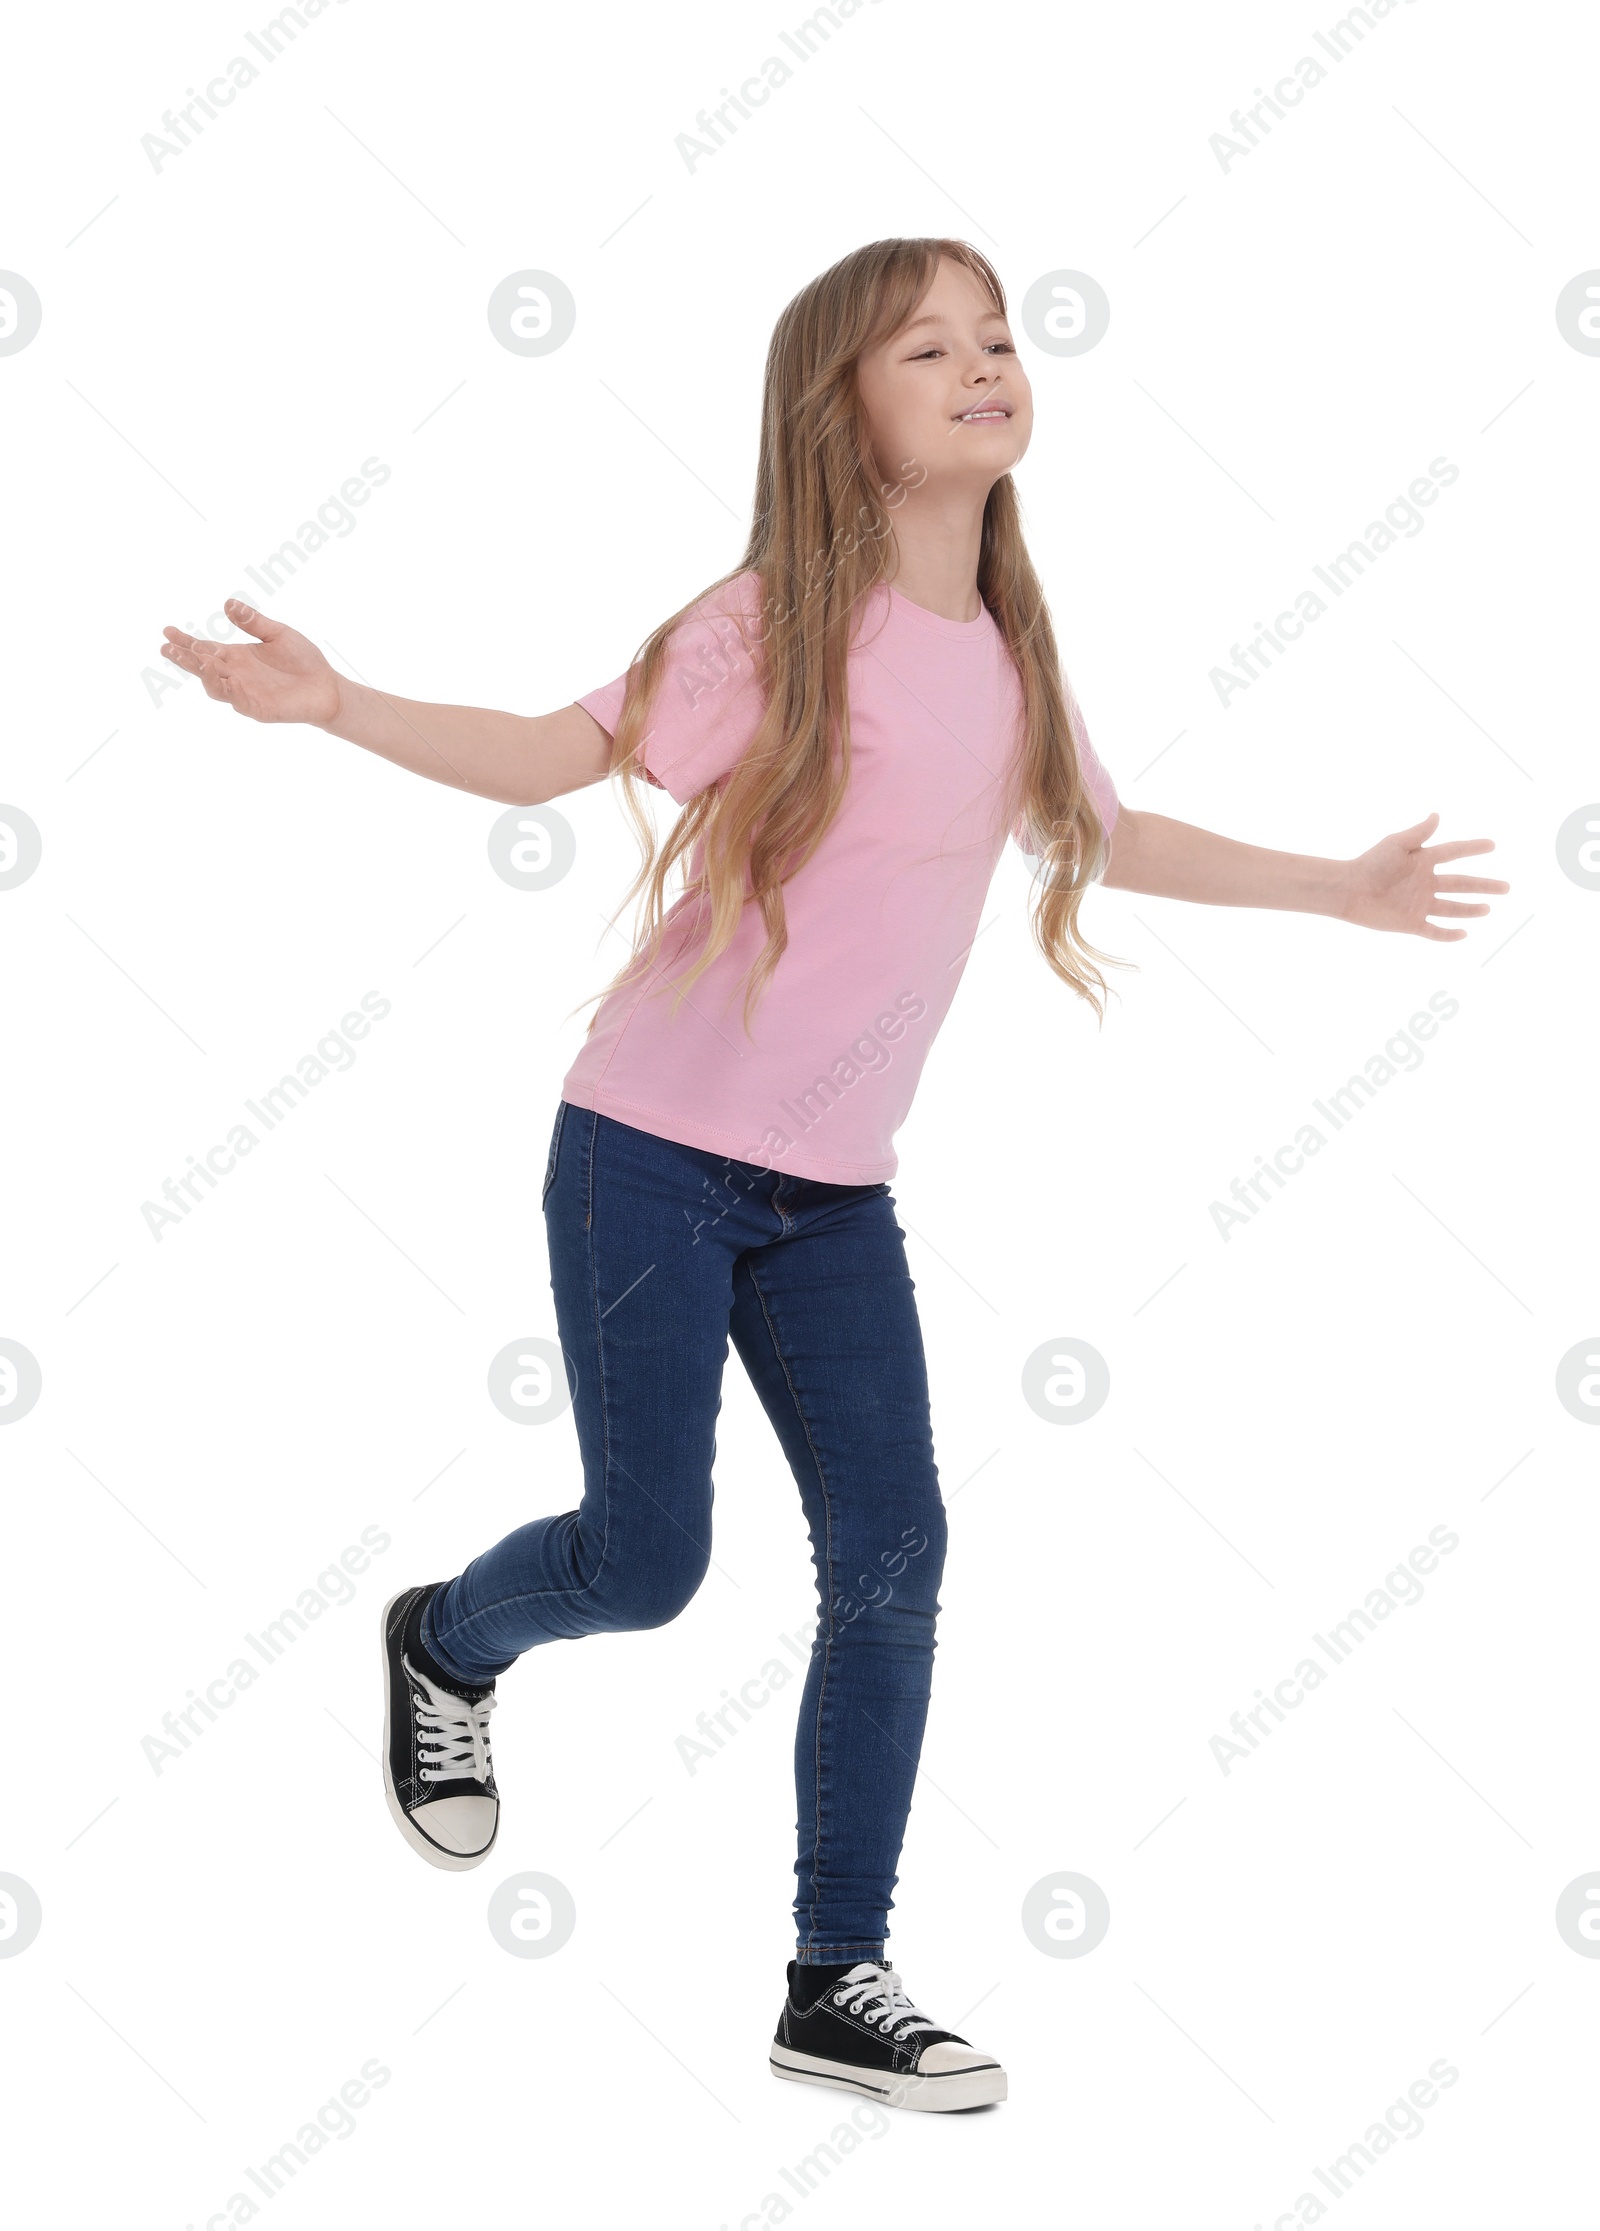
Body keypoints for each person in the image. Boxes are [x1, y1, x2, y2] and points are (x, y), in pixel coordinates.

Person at [158, 235, 1507, 2114]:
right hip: (646, 1157)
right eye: (923, 347)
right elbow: (557, 756)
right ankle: (446, 1639)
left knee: (894, 1559)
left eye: (999, 336)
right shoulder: (772, 617)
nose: (982, 364)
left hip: (831, 1198)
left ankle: (834, 1976)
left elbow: (1109, 834)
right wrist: (345, 701)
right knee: (646, 1570)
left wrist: (1339, 888)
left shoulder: (1010, 647)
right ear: (840, 416)